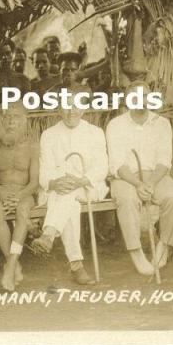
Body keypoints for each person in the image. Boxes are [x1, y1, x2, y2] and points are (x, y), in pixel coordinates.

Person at [30, 85, 108, 285]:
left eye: (76, 105)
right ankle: (76, 265)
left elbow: (102, 166)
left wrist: (82, 180)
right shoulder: (49, 134)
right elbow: (45, 170)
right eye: (66, 105)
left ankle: (48, 234)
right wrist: (55, 182)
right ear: (58, 108)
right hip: (59, 189)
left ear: (83, 108)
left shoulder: (95, 132)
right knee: (68, 200)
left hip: (88, 186)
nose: (71, 110)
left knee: (67, 197)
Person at [107, 81, 173, 276]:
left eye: (144, 96)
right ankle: (136, 251)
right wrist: (138, 184)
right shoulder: (115, 125)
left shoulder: (162, 123)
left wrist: (149, 183)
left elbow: (164, 161)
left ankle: (163, 245)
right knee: (126, 198)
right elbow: (117, 163)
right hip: (126, 177)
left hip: (154, 176)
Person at [0, 102, 38, 291]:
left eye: (15, 117)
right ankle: (13, 263)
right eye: (6, 117)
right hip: (0, 192)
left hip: (24, 193)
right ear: (1, 120)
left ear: (24, 121)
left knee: (23, 209)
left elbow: (34, 182)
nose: (10, 122)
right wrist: (2, 194)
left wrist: (19, 196)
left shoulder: (32, 145)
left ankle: (10, 266)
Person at [0, 40, 31, 107]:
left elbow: (29, 105)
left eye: (7, 53)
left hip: (19, 116)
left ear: (12, 55)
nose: (4, 57)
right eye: (0, 54)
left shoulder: (23, 79)